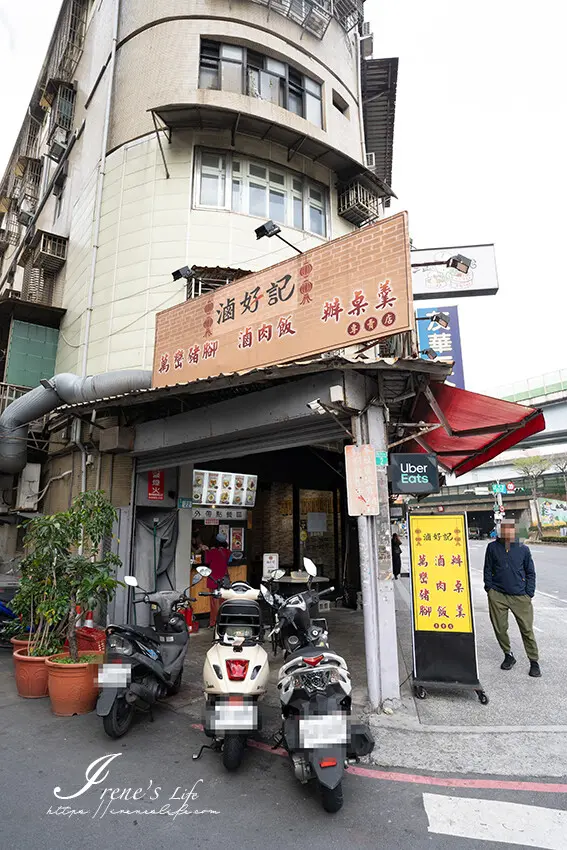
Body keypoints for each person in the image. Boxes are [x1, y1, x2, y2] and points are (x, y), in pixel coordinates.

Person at [483, 518, 541, 677]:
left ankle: (534, 661)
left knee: (527, 629)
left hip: (520, 596)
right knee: (500, 628)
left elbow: (530, 572)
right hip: (498, 594)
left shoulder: (523, 549)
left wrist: (529, 593)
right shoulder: (492, 547)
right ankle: (508, 655)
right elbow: (488, 568)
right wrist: (489, 588)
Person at [205, 533, 232, 629]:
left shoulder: (211, 552)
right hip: (224, 580)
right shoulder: (228, 552)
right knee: (223, 602)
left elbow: (207, 561)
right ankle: (223, 621)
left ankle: (213, 623)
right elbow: (230, 561)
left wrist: (207, 550)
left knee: (213, 603)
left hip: (213, 580)